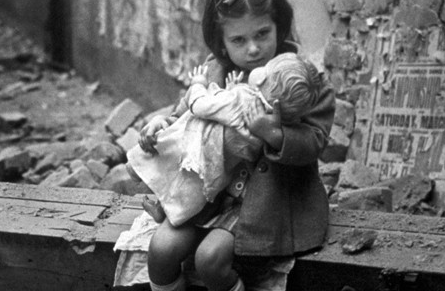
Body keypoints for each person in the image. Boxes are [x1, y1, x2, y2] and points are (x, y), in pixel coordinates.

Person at [137, 0, 335, 291]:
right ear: (220, 40)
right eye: (238, 39)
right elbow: (188, 109)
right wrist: (159, 124)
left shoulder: (301, 77)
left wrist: (275, 135)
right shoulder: (214, 70)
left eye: (263, 34)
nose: (253, 49)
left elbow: (316, 139)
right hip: (210, 191)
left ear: (279, 24)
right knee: (161, 249)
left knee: (211, 259)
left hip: (269, 199)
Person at [127, 52, 326, 227]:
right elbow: (236, 124)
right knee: (186, 192)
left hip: (196, 149)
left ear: (264, 80)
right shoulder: (269, 120)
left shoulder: (241, 101)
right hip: (218, 171)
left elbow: (199, 106)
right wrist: (232, 89)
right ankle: (163, 211)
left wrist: (198, 83)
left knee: (151, 165)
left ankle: (135, 173)